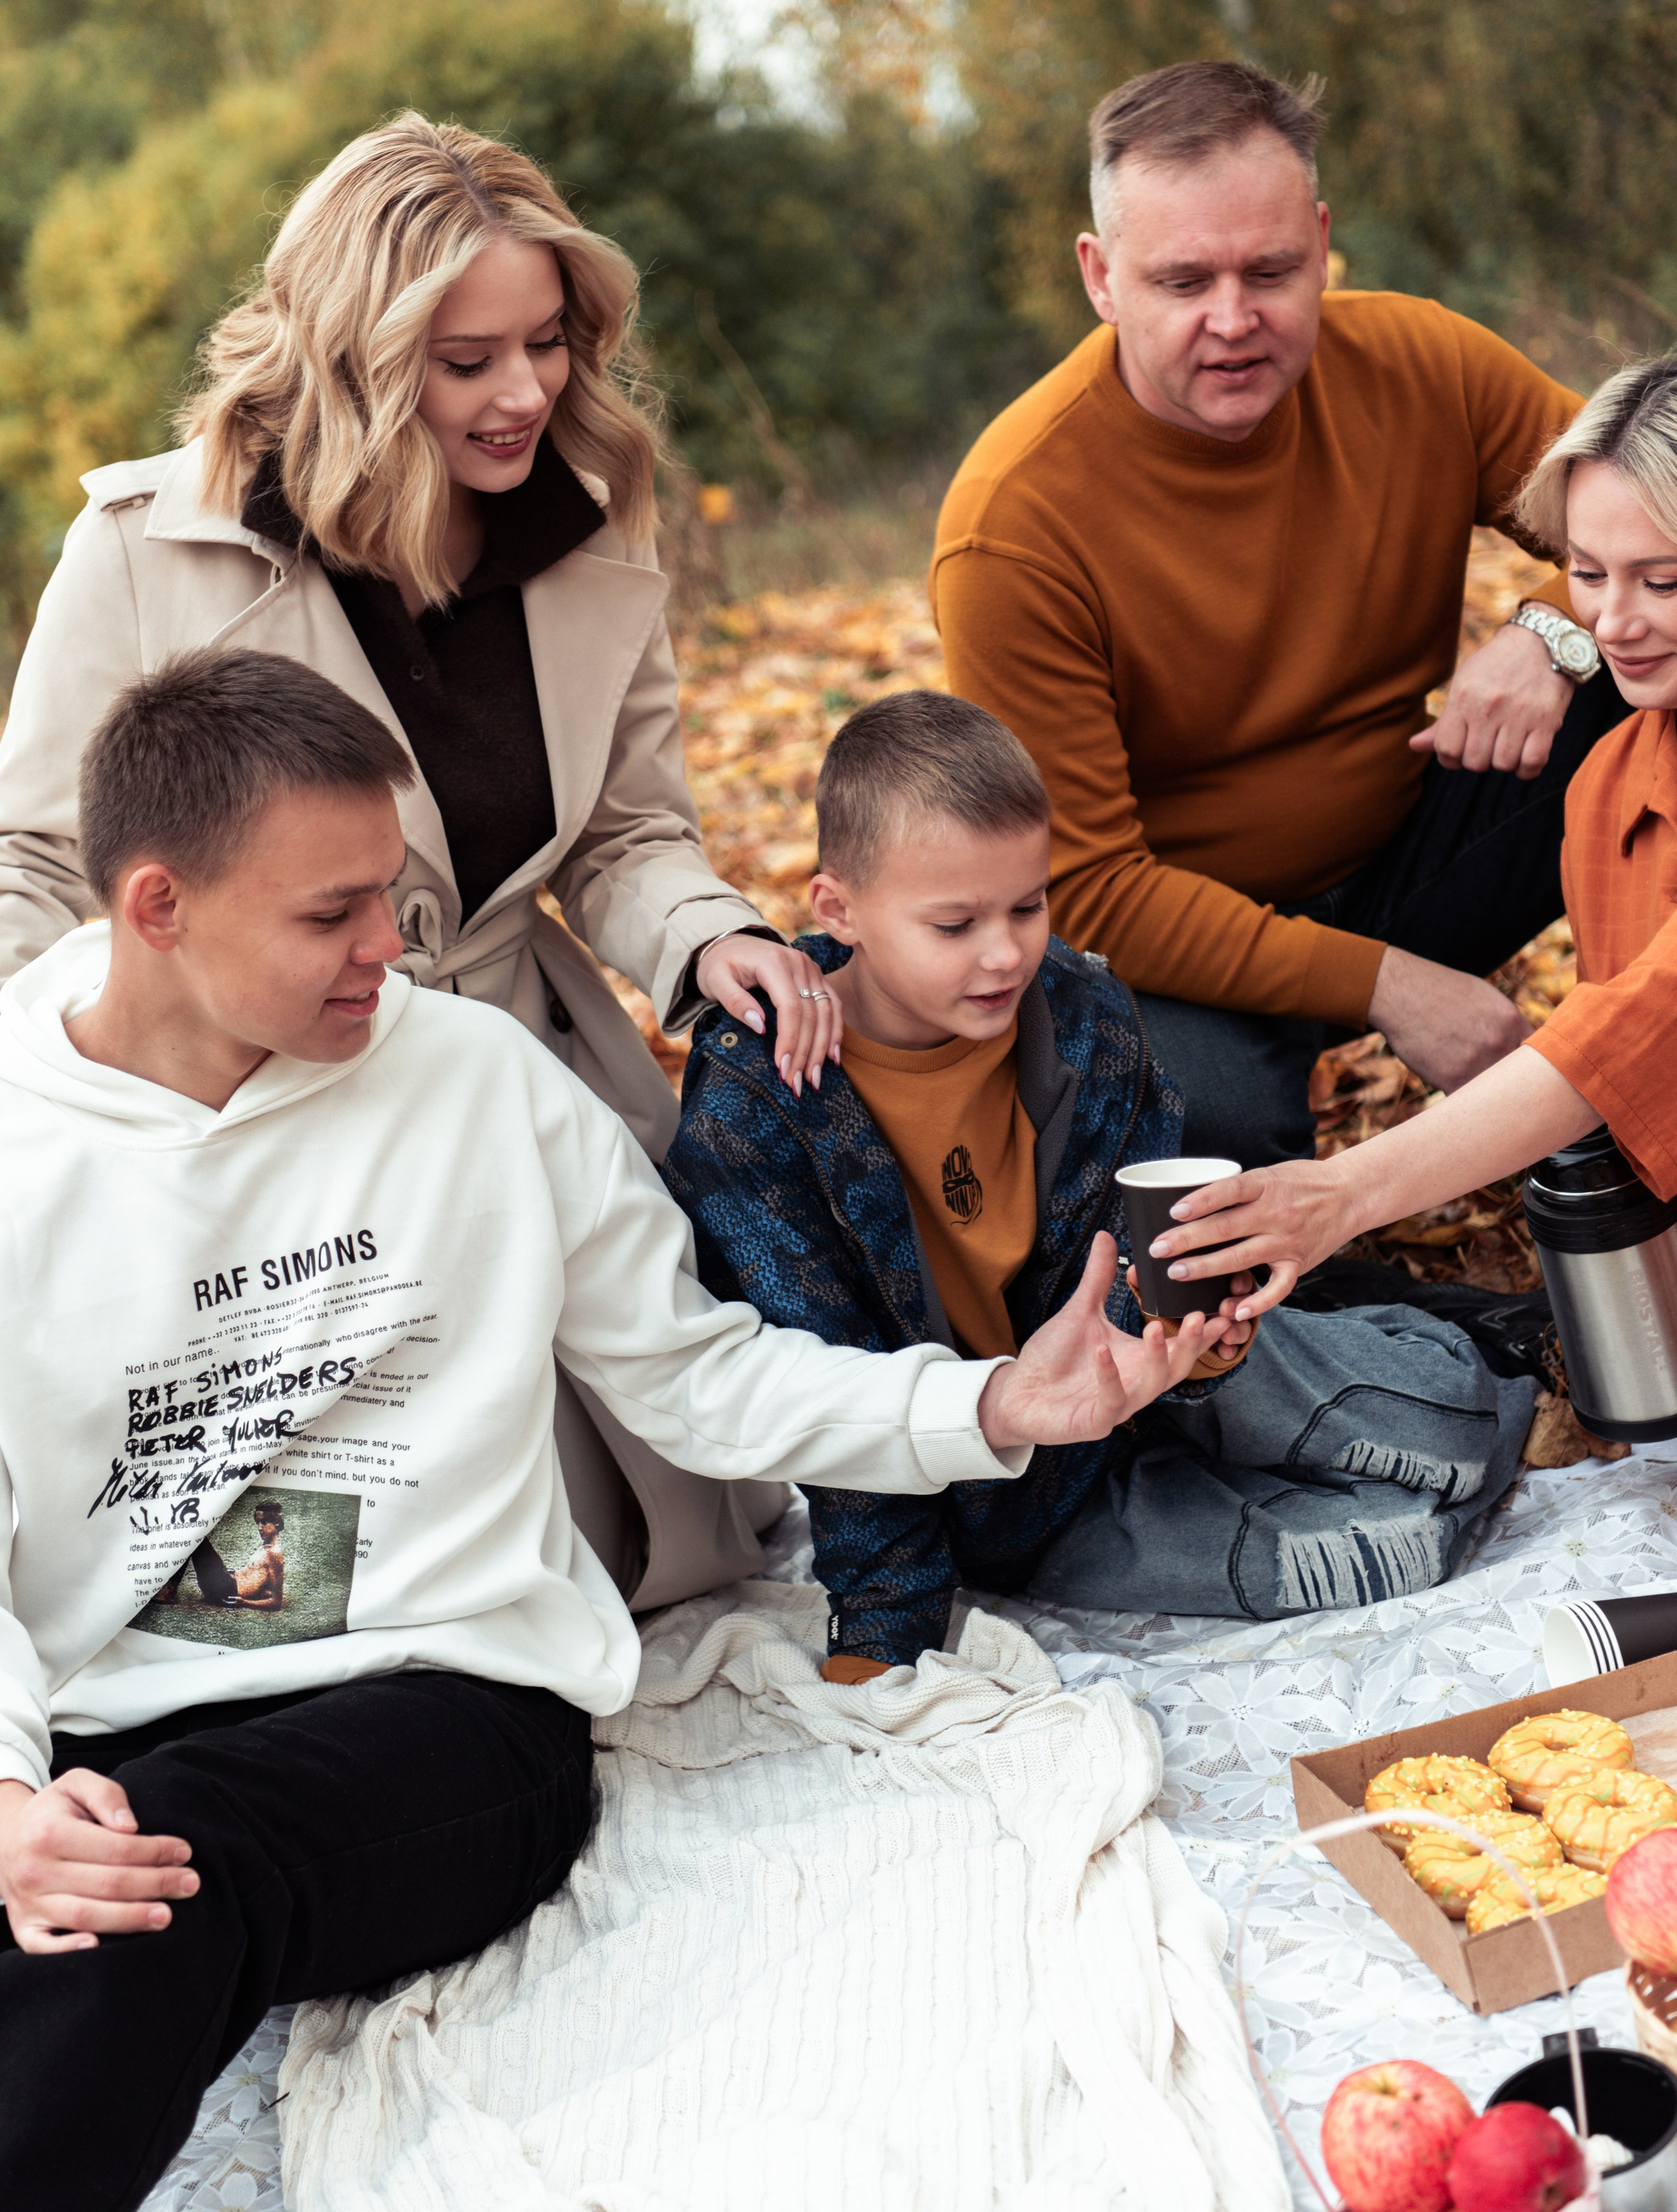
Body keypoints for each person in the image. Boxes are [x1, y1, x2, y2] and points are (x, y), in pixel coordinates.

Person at [0, 648, 1163, 2212]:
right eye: (326, 913)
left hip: (443, 1701)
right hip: (105, 1704)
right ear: (158, 907)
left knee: (156, 1871)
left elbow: (693, 1373)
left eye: (389, 895)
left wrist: (991, 1399)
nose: (388, 948)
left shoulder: (472, 1075)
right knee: (80, 1856)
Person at [0, 111, 840, 1614]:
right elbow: (44, 870)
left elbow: (633, 829)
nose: (526, 391)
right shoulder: (141, 550)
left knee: (607, 1561)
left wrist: (708, 940)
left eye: (548, 341)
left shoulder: (594, 529)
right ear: (352, 359)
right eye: (468, 362)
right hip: (250, 1127)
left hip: (512, 1080)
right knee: (295, 1596)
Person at [663, 691, 1541, 1671]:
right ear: (839, 909)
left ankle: (1472, 1359)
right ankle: (1363, 1398)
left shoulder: (1082, 1013)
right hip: (1002, 1481)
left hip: (1154, 1377)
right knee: (1381, 1554)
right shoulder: (759, 1100)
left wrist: (1204, 1348)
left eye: (1028, 906)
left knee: (1461, 1432)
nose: (1005, 953)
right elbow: (830, 1377)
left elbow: (1150, 1262)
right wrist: (885, 1628)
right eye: (954, 924)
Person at [931, 59, 1632, 1169]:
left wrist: (1552, 629)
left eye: (1270, 270)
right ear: (1100, 276)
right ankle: (1410, 1321)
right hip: (1173, 946)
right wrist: (1388, 985)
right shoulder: (1012, 525)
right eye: (1181, 283)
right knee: (1198, 1144)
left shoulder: (1422, 364)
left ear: (1320, 239)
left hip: (1418, 843)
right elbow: (1088, 887)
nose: (1233, 321)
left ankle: (1647, 1060)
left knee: (1654, 679)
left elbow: (1659, 511)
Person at [1147, 353, 1677, 1315]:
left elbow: (1647, 1023)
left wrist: (1347, 1190)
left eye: (1665, 581)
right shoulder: (1610, 782)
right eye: (1589, 576)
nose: (1616, 622)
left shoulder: (1407, 364)